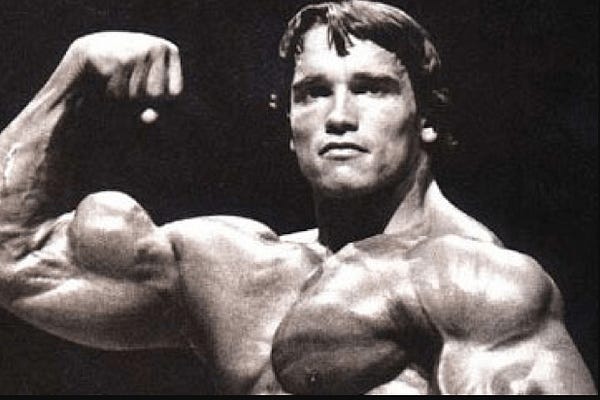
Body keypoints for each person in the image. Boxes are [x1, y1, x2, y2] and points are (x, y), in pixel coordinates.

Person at [0, 0, 595, 394]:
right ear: (289, 124)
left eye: (371, 89)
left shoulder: (476, 285)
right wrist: (72, 76)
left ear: (427, 119)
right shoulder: (229, 273)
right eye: (312, 93)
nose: (339, 116)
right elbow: (16, 259)